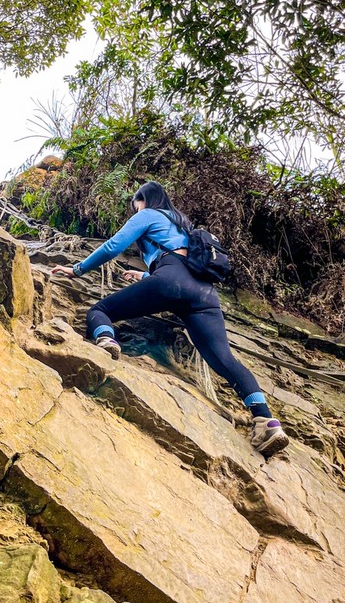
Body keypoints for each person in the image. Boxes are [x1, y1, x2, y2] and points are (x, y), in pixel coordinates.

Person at [51, 181, 289, 457]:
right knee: (224, 360)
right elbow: (180, 265)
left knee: (99, 311)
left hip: (169, 282)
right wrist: (145, 276)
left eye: (135, 205)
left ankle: (106, 341)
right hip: (204, 294)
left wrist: (77, 270)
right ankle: (266, 420)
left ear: (144, 200)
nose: (134, 209)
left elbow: (114, 246)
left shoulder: (149, 214)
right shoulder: (184, 227)